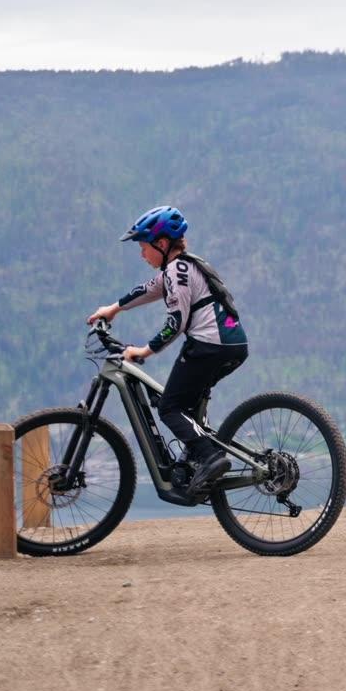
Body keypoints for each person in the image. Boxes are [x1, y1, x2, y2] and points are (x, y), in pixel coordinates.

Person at [87, 206, 249, 499]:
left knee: (169, 408)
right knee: (185, 406)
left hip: (208, 346)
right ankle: (199, 458)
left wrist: (144, 351)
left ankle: (210, 457)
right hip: (231, 346)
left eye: (144, 247)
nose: (141, 254)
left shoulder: (177, 270)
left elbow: (176, 323)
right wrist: (114, 308)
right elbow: (149, 289)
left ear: (161, 244)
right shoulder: (184, 266)